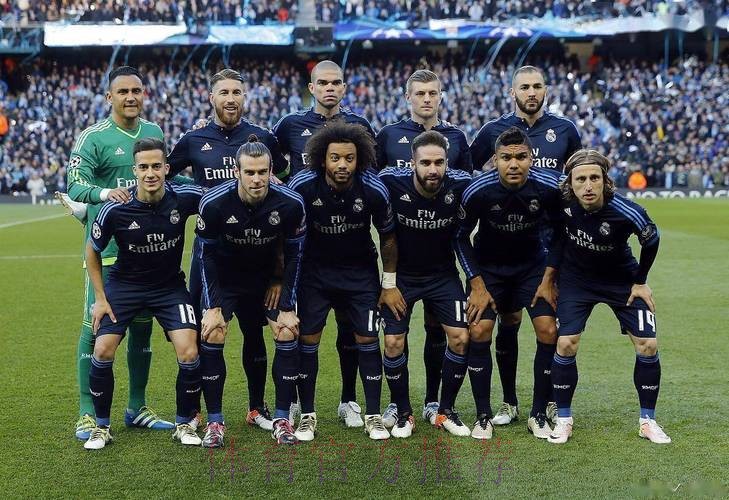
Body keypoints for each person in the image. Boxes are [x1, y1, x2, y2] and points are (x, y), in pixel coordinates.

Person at [167, 68, 289, 431]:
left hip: (256, 255)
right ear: (211, 98)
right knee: (204, 331)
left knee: (254, 332)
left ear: (244, 97)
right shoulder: (193, 139)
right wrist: (197, 195)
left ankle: (256, 408)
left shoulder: (262, 137)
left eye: (237, 92)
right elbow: (165, 176)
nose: (231, 99)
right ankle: (194, 411)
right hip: (211, 257)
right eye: (224, 92)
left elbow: (283, 175)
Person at [468, 65, 582, 427]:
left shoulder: (565, 129)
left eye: (537, 86)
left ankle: (547, 404)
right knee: (508, 320)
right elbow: (465, 172)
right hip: (501, 242)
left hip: (547, 253)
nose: (531, 93)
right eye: (524, 87)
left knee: (552, 328)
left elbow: (577, 180)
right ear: (512, 92)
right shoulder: (492, 131)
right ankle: (508, 402)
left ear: (545, 89)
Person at [66, 66, 173, 440]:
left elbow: (167, 178)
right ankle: (87, 413)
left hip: (146, 251)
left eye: (136, 91)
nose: (131, 97)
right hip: (107, 251)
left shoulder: (154, 132)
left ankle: (137, 408)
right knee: (95, 328)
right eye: (123, 91)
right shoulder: (93, 137)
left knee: (142, 329)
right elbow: (74, 184)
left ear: (144, 94)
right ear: (109, 97)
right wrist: (104, 193)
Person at [83, 138, 204, 450]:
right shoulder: (116, 209)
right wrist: (100, 298)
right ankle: (101, 427)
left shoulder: (184, 197)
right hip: (125, 286)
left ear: (166, 168)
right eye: (144, 167)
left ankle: (184, 423)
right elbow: (92, 250)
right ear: (134, 170)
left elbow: (220, 198)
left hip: (169, 287)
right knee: (103, 350)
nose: (150, 173)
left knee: (189, 352)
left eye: (156, 166)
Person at [274, 60, 376, 428]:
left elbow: (373, 174)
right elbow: (263, 156)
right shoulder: (289, 125)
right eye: (323, 83)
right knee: (306, 332)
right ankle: (300, 403)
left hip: (353, 249)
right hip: (310, 254)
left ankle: (349, 400)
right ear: (312, 87)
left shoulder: (360, 126)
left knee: (351, 332)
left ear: (344, 87)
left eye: (336, 83)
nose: (329, 88)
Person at [289, 121, 403, 441]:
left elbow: (388, 237)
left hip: (360, 274)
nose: (342, 165)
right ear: (322, 159)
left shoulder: (373, 188)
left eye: (349, 158)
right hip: (315, 274)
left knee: (367, 338)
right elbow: (286, 235)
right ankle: (308, 415)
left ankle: (372, 415)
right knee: (308, 339)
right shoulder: (303, 185)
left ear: (359, 159)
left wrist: (389, 283)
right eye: (335, 158)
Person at [547, 149, 670, 445]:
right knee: (566, 343)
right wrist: (550, 277)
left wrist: (640, 281)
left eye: (594, 178)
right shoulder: (561, 203)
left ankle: (648, 421)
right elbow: (555, 236)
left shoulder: (627, 211)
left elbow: (651, 239)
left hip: (621, 281)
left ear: (605, 181)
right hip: (577, 280)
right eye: (580, 179)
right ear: (570, 183)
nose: (588, 185)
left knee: (648, 345)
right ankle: (563, 419)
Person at [375, 69, 473, 428]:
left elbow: (467, 192)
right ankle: (398, 406)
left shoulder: (457, 138)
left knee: (440, 332)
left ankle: (436, 403)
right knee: (394, 339)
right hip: (402, 268)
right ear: (408, 97)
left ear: (441, 96)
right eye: (420, 93)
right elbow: (372, 188)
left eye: (433, 93)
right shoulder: (388, 136)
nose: (427, 99)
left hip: (442, 266)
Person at [195, 136, 306, 447]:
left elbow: (296, 255)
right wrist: (213, 306)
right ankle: (215, 422)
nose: (257, 179)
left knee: (286, 330)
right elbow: (206, 256)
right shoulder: (214, 203)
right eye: (249, 172)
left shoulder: (290, 203)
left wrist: (286, 303)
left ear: (271, 171)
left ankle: (281, 419)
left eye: (262, 172)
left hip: (266, 280)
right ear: (237, 172)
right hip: (227, 280)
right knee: (213, 332)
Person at [454, 127, 563, 440]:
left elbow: (560, 234)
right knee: (479, 331)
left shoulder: (548, 187)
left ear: (531, 159)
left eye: (520, 157)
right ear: (495, 160)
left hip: (532, 268)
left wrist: (549, 278)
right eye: (506, 158)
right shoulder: (478, 190)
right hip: (489, 270)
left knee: (548, 331)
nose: (513, 164)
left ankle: (538, 413)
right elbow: (460, 237)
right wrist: (476, 284)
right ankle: (485, 415)